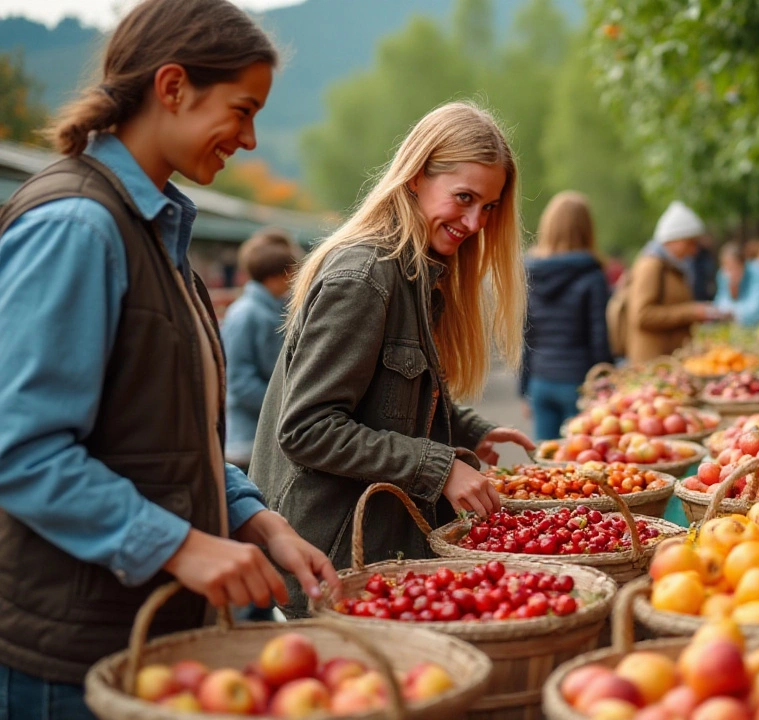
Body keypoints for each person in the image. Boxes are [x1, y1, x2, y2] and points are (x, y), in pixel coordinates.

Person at [0, 1, 338, 714]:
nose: (248, 139)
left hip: (145, 634)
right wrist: (183, 546)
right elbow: (20, 450)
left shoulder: (156, 228)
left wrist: (256, 518)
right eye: (242, 110)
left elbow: (170, 434)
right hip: (71, 652)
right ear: (174, 86)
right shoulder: (78, 227)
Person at [249, 101, 535, 617]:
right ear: (415, 177)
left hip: (375, 553)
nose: (475, 223)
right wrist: (438, 467)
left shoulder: (419, 272)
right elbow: (307, 428)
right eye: (464, 198)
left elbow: (391, 396)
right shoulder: (363, 278)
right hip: (333, 562)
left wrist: (469, 431)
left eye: (488, 207)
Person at [521, 191, 613, 440]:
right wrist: (605, 382)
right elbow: (599, 337)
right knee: (580, 464)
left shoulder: (530, 273)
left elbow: (526, 336)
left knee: (547, 463)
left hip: (540, 382)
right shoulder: (593, 275)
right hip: (579, 383)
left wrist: (524, 390)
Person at [221, 228, 301, 469]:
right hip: (247, 440)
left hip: (270, 433)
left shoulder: (276, 310)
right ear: (276, 276)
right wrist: (288, 404)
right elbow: (239, 381)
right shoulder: (245, 315)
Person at [624, 200, 726, 363]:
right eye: (690, 243)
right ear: (674, 239)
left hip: (669, 359)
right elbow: (642, 315)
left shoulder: (673, 267)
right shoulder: (651, 266)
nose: (693, 250)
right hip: (653, 363)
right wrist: (692, 312)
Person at [714, 236, 759, 328]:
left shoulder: (758, 275)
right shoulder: (722, 274)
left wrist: (730, 312)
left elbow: (755, 311)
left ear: (743, 264)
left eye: (734, 268)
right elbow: (719, 303)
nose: (730, 273)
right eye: (727, 268)